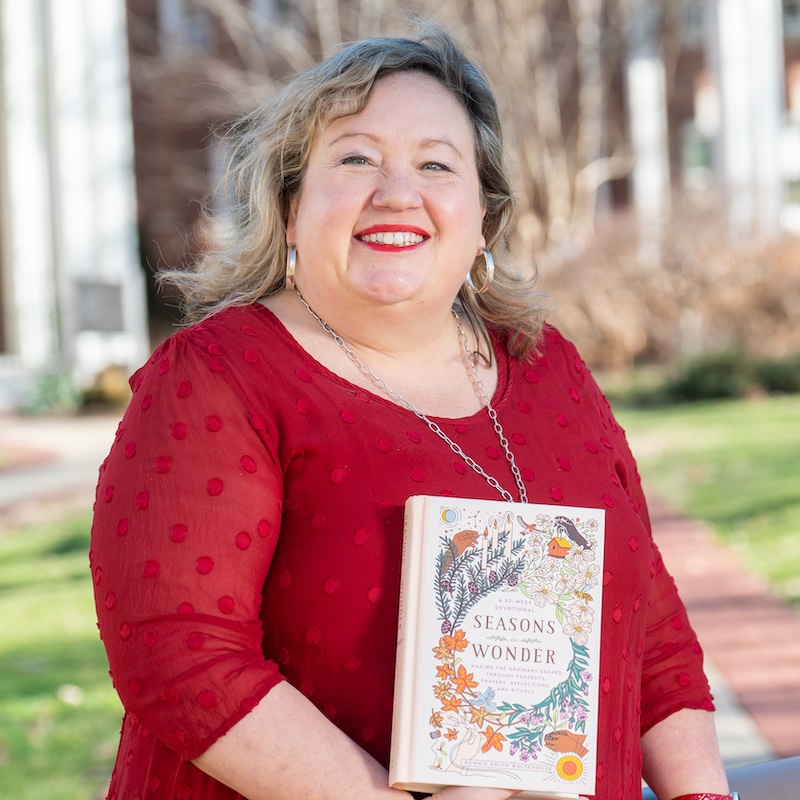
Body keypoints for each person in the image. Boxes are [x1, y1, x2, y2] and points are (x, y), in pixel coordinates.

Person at [90, 24, 734, 800]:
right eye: (356, 158)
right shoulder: (218, 378)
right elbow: (179, 655)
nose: (398, 193)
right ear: (290, 207)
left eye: (436, 163)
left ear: (483, 216)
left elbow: (648, 630)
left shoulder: (546, 365)